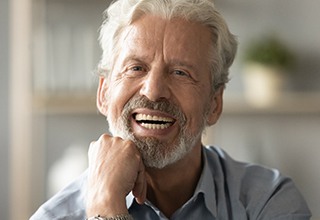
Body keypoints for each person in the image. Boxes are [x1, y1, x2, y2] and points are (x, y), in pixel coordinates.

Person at [30, 0, 311, 219]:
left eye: (180, 72)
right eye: (135, 68)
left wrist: (108, 213)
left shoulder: (268, 202)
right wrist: (105, 203)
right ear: (104, 93)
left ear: (214, 104)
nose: (153, 90)